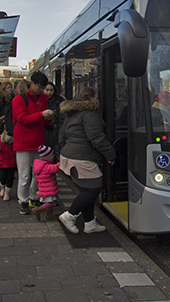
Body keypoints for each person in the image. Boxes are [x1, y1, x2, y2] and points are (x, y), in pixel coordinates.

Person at [58, 87, 116, 234]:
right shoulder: (90, 114)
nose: (97, 100)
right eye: (96, 97)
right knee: (93, 189)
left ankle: (90, 224)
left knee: (86, 189)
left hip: (69, 156)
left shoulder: (72, 113)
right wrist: (110, 155)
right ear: (91, 98)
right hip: (82, 158)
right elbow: (96, 138)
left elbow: (62, 136)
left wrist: (67, 150)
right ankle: (69, 215)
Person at [12, 72, 54, 215]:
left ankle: (33, 196)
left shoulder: (43, 99)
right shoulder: (19, 99)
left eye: (43, 87)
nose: (41, 90)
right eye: (39, 87)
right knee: (24, 175)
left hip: (38, 141)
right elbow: (23, 119)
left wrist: (49, 118)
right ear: (32, 84)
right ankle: (22, 201)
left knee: (38, 173)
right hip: (23, 141)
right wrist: (41, 115)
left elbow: (44, 122)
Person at [32, 145, 61, 221]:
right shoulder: (47, 166)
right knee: (51, 202)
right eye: (51, 155)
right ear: (47, 157)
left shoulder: (40, 165)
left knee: (50, 201)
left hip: (43, 188)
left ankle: (49, 215)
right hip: (48, 188)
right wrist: (63, 162)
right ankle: (38, 210)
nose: (53, 156)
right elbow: (56, 168)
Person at [0, 116, 17, 201]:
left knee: (10, 178)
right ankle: (3, 187)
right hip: (2, 161)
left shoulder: (14, 136)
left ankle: (7, 192)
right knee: (2, 177)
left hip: (12, 161)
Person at [43, 82, 65, 155]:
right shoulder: (41, 101)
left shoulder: (59, 101)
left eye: (51, 90)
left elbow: (61, 120)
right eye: (47, 90)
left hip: (55, 132)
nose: (49, 92)